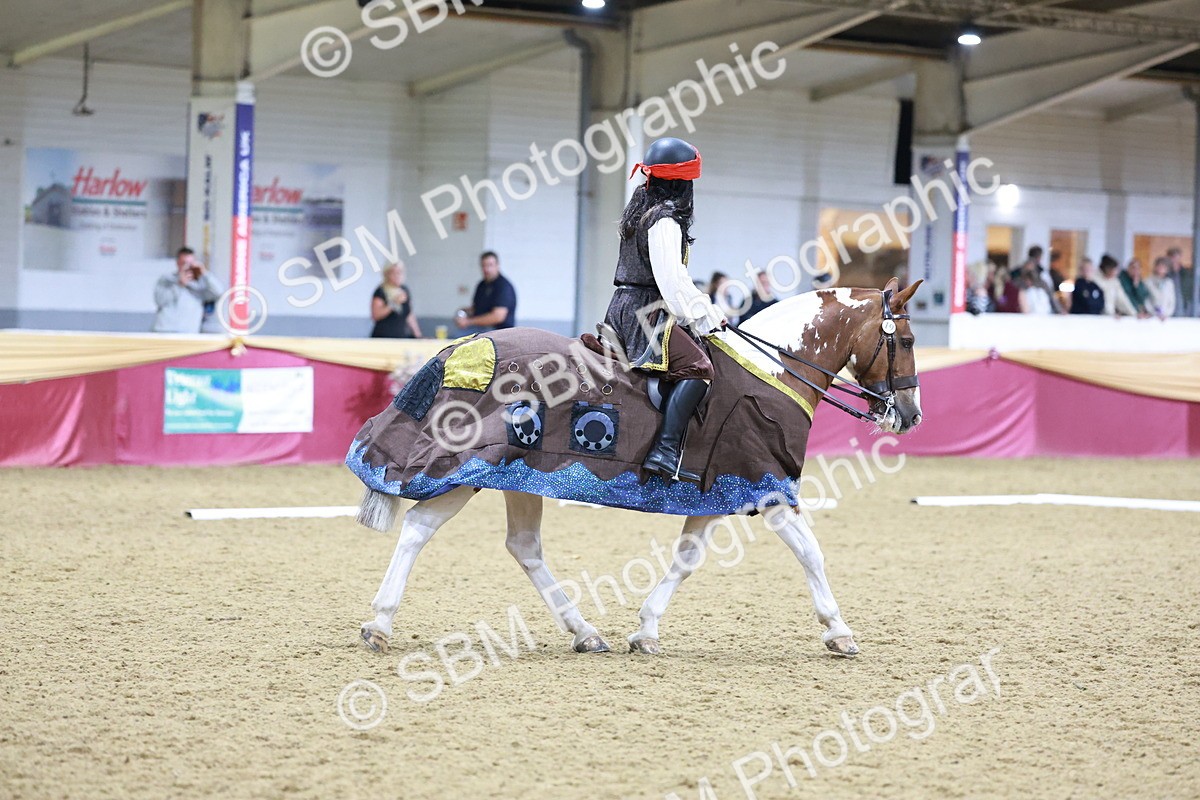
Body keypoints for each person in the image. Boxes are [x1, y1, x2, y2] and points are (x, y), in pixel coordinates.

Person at [602, 136, 723, 483]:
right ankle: (665, 451)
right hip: (647, 314)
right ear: (681, 184)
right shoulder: (665, 221)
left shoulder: (640, 208)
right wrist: (706, 317)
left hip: (625, 306)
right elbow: (673, 285)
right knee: (699, 367)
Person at [152, 247, 225, 333]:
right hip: (164, 330)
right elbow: (160, 301)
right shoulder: (167, 279)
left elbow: (219, 292)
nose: (187, 267)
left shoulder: (200, 284)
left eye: (190, 264)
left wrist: (205, 273)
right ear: (178, 263)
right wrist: (179, 285)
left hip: (188, 332)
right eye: (184, 263)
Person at [457, 251, 516, 331]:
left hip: (497, 333)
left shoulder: (504, 286)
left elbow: (498, 317)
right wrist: (463, 313)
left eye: (490, 265)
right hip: (479, 329)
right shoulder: (482, 285)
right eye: (484, 265)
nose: (487, 269)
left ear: (497, 266)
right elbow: (477, 308)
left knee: (457, 339)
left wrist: (468, 322)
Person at [371, 262, 422, 338]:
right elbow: (376, 315)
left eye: (400, 273)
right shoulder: (381, 291)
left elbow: (409, 315)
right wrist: (394, 303)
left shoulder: (404, 290)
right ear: (387, 275)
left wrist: (418, 335)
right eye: (394, 273)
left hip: (400, 335)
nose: (397, 276)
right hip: (383, 336)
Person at [1166, 247, 1195, 317]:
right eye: (1172, 257)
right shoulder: (1165, 274)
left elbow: (1193, 291)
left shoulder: (1188, 274)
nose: (1174, 260)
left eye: (1176, 257)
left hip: (1185, 309)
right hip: (1169, 309)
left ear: (1180, 257)